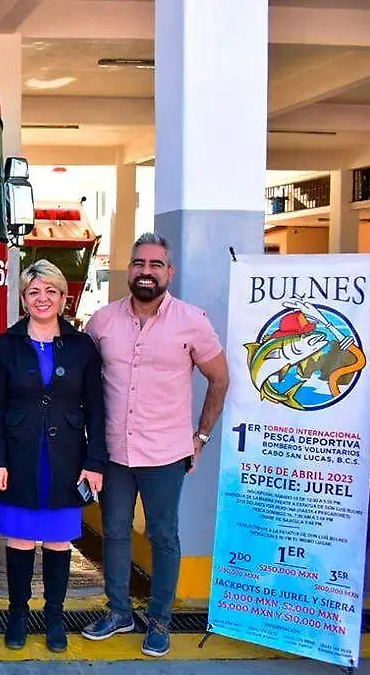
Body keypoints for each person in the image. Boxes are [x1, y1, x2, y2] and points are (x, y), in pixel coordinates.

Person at [80, 232, 229, 658]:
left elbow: (219, 379)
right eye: (140, 264)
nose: (147, 272)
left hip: (166, 452)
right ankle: (119, 611)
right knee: (113, 532)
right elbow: (83, 380)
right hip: (113, 452)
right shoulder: (103, 321)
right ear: (130, 268)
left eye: (155, 265)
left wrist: (200, 437)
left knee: (164, 535)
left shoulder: (192, 321)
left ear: (169, 272)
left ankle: (160, 620)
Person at [0, 259, 108, 653]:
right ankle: (17, 614)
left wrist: (95, 463)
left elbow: (98, 409)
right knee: (20, 540)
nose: (42, 298)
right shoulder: (7, 345)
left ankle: (54, 616)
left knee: (57, 542)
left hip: (67, 459)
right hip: (19, 457)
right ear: (23, 299)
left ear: (62, 298)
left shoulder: (82, 346)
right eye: (34, 292)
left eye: (50, 291)